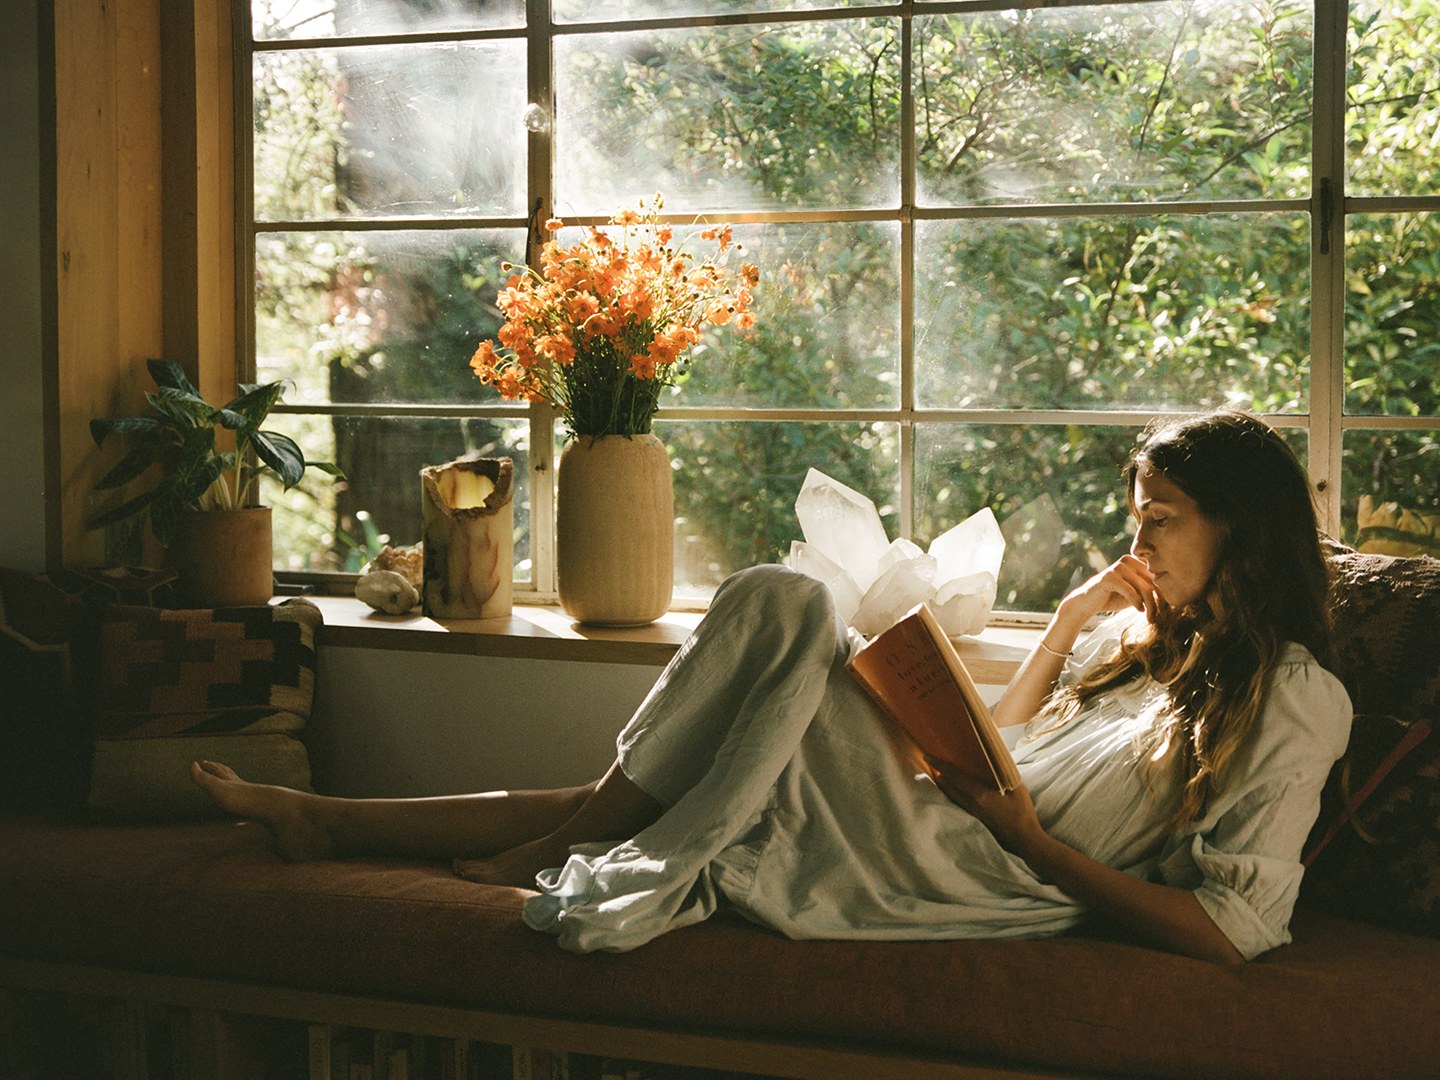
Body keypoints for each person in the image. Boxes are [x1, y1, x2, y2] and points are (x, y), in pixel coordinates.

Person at [193, 409, 1351, 962]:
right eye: (1134, 518)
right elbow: (999, 753)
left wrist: (1034, 848)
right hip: (946, 823)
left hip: (972, 876)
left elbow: (1240, 928)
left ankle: (424, 829)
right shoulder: (1149, 651)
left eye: (1160, 522)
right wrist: (1059, 631)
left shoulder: (1295, 698)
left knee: (787, 614)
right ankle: (324, 819)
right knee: (770, 636)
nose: (1135, 545)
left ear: (1242, 535)